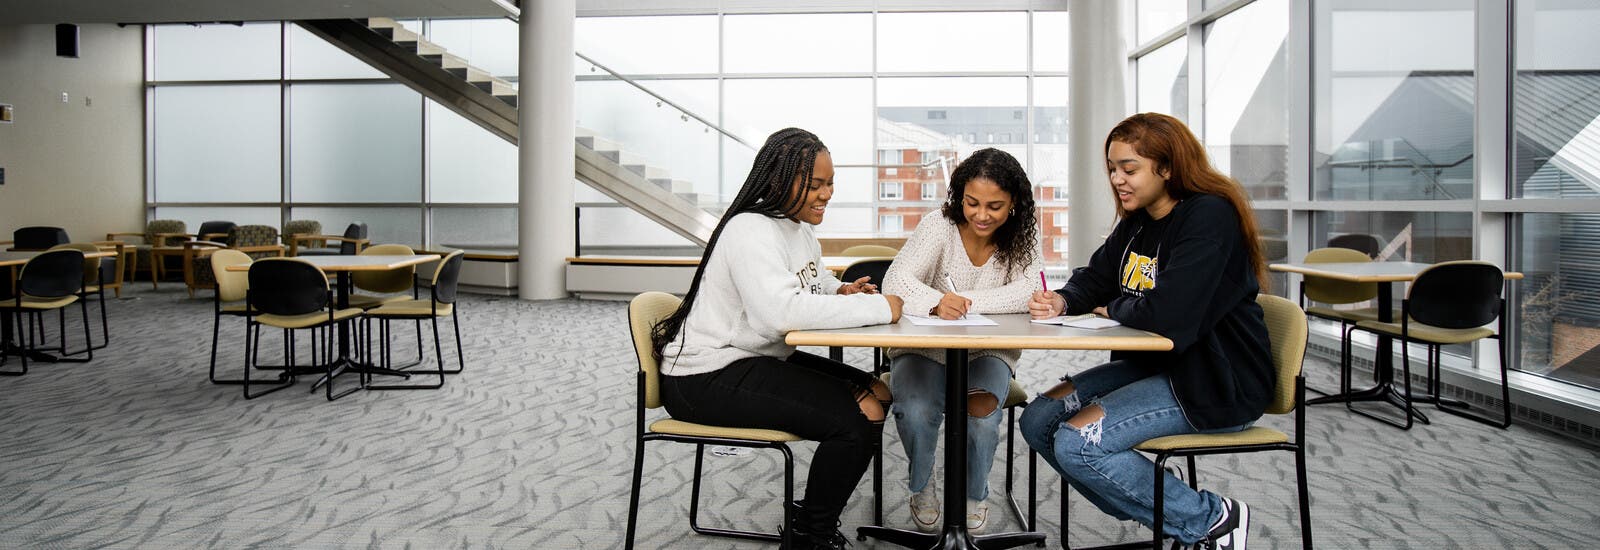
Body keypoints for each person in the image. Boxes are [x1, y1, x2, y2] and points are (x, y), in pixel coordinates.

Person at [1018, 113, 1272, 550]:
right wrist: (1063, 299)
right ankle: (1156, 494)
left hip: (1215, 379)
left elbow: (1170, 314)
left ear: (1168, 167)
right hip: (1155, 369)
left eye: (1129, 169)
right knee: (1039, 419)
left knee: (1079, 444)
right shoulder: (1137, 221)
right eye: (1113, 169)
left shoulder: (1209, 216)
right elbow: (1097, 276)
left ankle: (1212, 520)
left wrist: (1113, 307)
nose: (1117, 179)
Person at [652, 127, 905, 550]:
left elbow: (810, 281)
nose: (826, 194)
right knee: (855, 420)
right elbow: (778, 315)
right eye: (815, 185)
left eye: (830, 183)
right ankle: (810, 536)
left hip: (753, 357)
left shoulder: (797, 225)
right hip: (702, 376)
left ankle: (810, 518)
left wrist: (840, 290)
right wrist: (881, 308)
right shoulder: (750, 230)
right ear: (778, 180)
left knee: (877, 392)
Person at [880, 148, 1042, 533]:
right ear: (959, 197)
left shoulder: (1021, 237)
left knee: (981, 415)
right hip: (924, 346)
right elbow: (896, 281)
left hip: (988, 349)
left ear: (1014, 204)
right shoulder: (939, 225)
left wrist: (965, 304)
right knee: (917, 412)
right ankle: (922, 487)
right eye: (972, 203)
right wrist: (938, 303)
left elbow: (1030, 291)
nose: (982, 215)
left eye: (995, 206)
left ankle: (974, 493)